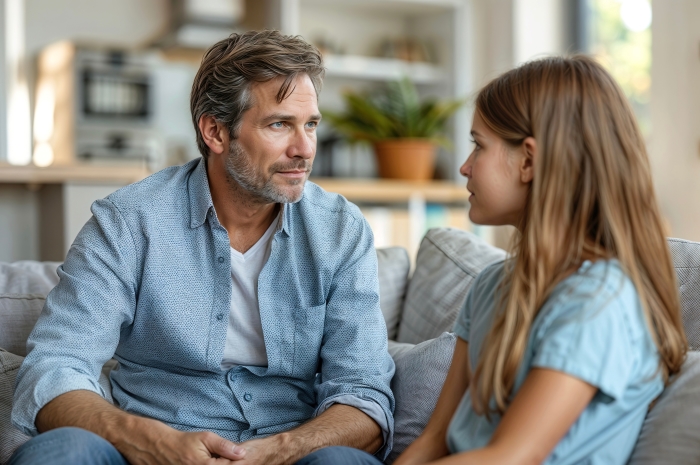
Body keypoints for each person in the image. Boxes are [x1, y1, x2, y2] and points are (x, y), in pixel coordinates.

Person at [10, 30, 394, 465]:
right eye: (279, 124)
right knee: (62, 453)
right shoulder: (129, 222)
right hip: (150, 452)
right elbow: (54, 369)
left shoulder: (341, 231)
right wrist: (149, 441)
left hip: (292, 453)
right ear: (215, 131)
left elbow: (363, 394)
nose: (304, 149)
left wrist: (282, 451)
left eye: (310, 125)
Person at [311, 56, 689, 464]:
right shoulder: (493, 284)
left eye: (478, 145)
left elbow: (510, 456)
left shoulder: (597, 301)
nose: (464, 166)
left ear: (528, 160)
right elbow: (435, 439)